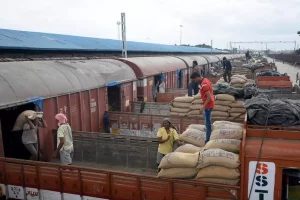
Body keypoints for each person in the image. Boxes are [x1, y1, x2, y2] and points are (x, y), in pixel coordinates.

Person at [190, 72, 215, 143]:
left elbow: (209, 98)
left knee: (207, 122)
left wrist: (203, 107)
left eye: (194, 80)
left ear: (197, 77)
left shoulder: (204, 84)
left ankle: (207, 139)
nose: (194, 81)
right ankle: (208, 132)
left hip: (208, 105)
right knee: (207, 120)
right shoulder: (205, 80)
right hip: (208, 105)